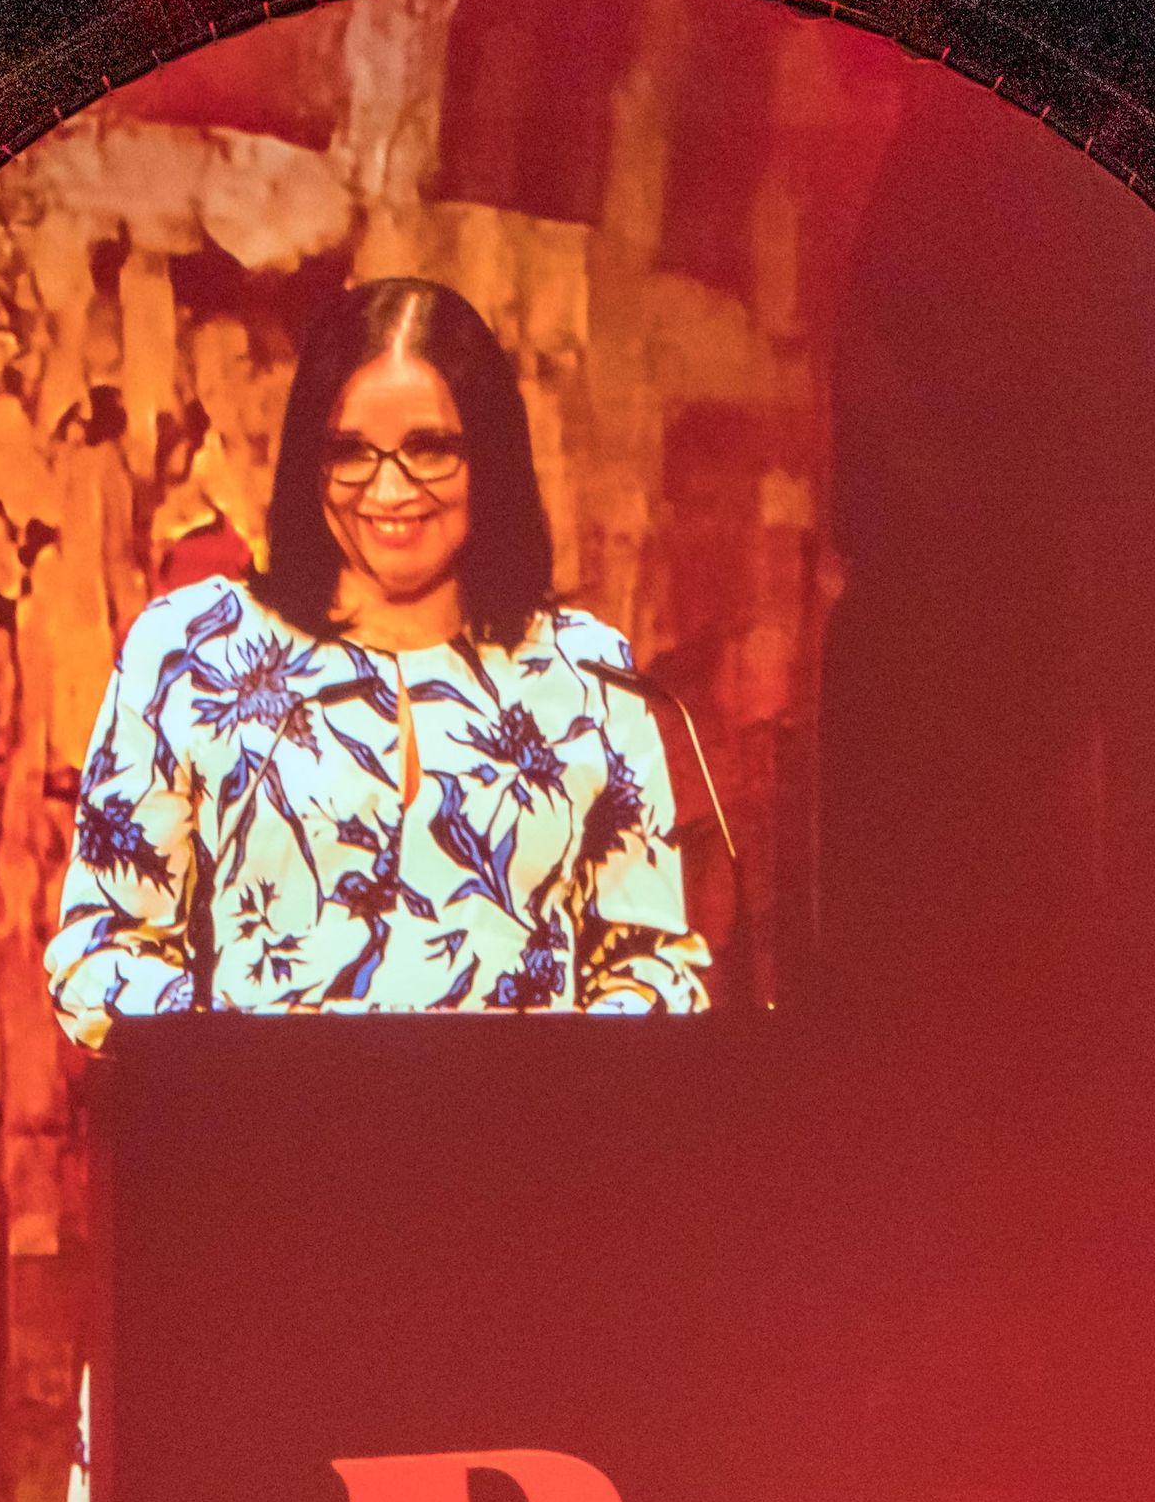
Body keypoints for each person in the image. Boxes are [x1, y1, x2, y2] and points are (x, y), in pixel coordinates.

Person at [46, 274, 709, 1041]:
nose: (388, 489)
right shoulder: (189, 655)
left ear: (489, 457)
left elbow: (651, 962)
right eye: (351, 452)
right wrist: (236, 1063)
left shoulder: (587, 676)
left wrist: (556, 1091)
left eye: (429, 449)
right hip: (261, 1151)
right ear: (308, 459)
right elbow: (101, 951)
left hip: (522, 1153)